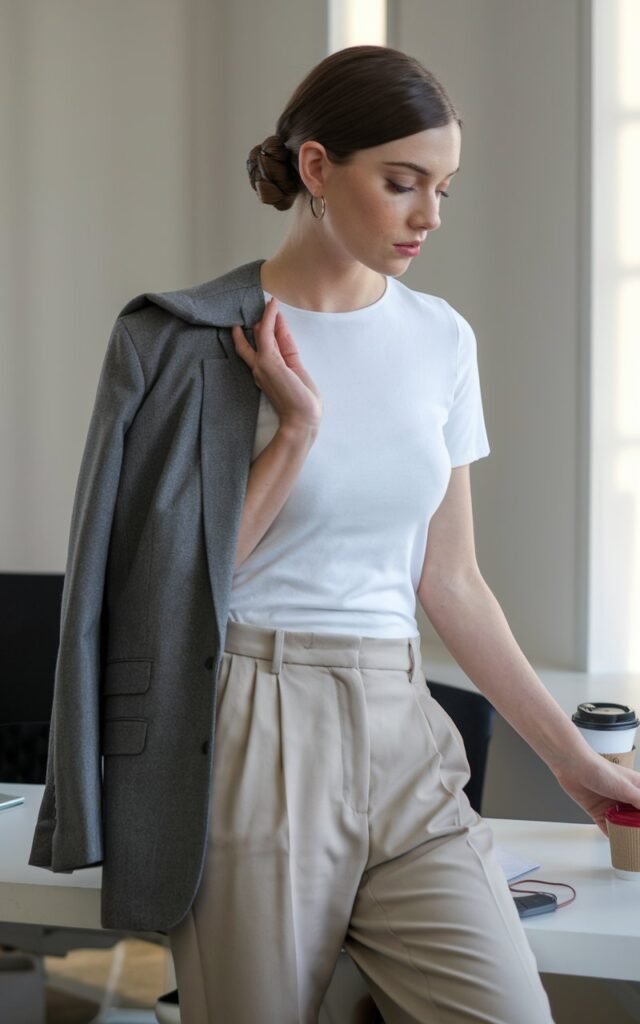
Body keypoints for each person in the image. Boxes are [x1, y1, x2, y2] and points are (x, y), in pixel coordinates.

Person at [29, 44, 640, 1024]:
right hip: (251, 727)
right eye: (401, 183)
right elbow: (173, 595)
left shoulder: (441, 337)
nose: (428, 216)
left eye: (442, 187)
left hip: (405, 727)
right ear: (315, 168)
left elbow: (453, 582)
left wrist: (574, 762)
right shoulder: (190, 342)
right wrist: (295, 434)